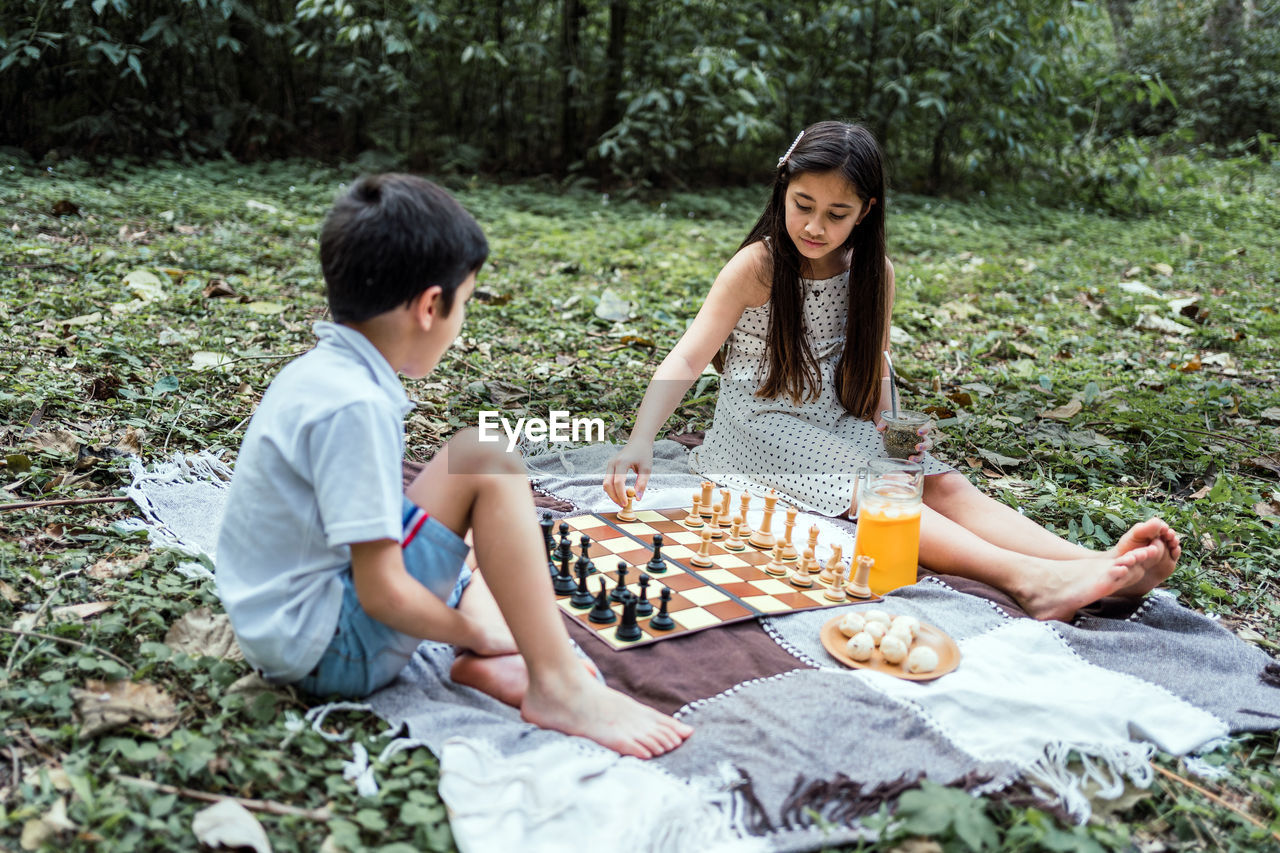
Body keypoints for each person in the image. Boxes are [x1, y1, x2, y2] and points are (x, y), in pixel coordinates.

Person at [603, 121, 1179, 622]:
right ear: (784, 188)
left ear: (866, 211)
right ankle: (1028, 579)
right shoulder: (757, 266)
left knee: (938, 480)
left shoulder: (872, 270)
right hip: (757, 430)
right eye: (803, 204)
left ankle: (1097, 563)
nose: (814, 226)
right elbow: (686, 356)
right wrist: (640, 440)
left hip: (835, 422)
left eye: (837, 214)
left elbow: (874, 365)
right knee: (876, 490)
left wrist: (897, 433)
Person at [217, 174, 690, 759]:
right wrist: (479, 632)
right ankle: (556, 683)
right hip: (330, 651)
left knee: (495, 534)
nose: (461, 321)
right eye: (465, 303)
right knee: (488, 463)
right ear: (430, 306)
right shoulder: (354, 406)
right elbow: (384, 593)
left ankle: (494, 664)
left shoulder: (323, 372)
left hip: (295, 623)